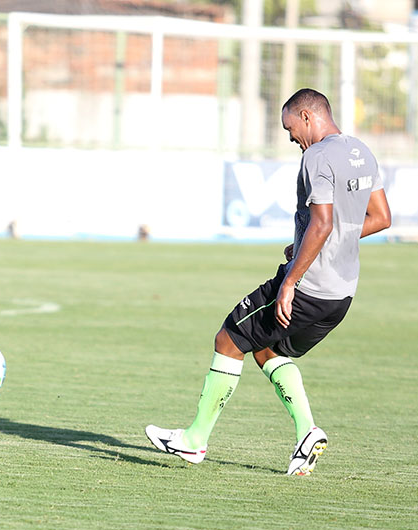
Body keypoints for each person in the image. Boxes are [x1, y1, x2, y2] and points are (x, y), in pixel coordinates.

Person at [145, 88, 392, 475]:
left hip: (308, 287)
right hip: (340, 295)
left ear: (307, 116)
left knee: (228, 339)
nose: (291, 138)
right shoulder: (361, 151)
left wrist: (291, 279)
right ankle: (307, 433)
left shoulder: (317, 156)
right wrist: (308, 244)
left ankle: (194, 441)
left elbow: (323, 223)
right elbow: (381, 218)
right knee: (265, 348)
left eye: (291, 128)